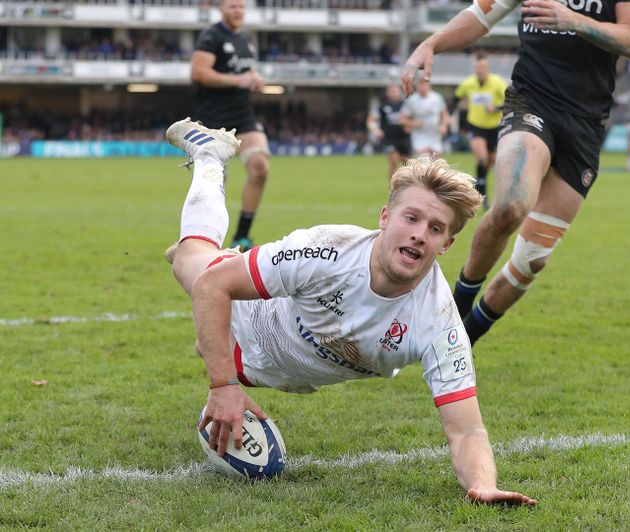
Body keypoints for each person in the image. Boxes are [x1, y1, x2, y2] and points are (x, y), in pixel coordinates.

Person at [163, 118, 535, 507]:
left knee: (207, 329)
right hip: (248, 314)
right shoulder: (326, 251)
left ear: (447, 244)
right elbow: (212, 288)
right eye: (411, 218)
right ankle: (209, 157)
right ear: (385, 218)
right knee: (194, 266)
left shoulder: (439, 322)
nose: (419, 234)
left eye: (435, 228)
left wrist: (484, 484)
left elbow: (467, 431)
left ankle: (213, 319)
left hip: (278, 373)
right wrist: (222, 386)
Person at [402, 0, 630, 346]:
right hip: (532, 103)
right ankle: (453, 310)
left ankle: (461, 342)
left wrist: (573, 20)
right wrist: (431, 43)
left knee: (532, 260)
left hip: (585, 126)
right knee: (510, 207)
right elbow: (479, 17)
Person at [190, 0, 269, 251]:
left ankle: (241, 237)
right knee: (214, 182)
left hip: (243, 115)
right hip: (213, 118)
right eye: (232, 6)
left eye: (242, 7)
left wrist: (254, 78)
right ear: (221, 9)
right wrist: (239, 80)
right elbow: (199, 73)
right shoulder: (211, 36)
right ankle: (205, 240)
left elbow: (246, 71)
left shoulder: (246, 37)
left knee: (260, 168)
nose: (238, 11)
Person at [454, 54, 508, 207]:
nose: (481, 70)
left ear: (488, 68)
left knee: (489, 163)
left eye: (483, 67)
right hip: (476, 126)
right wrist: (449, 116)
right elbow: (455, 99)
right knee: (482, 158)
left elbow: (510, 101)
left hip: (494, 127)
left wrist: (496, 108)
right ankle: (483, 197)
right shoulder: (468, 84)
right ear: (475, 68)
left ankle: (478, 185)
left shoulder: (497, 83)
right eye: (478, 67)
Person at [367, 84, 412, 178]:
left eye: (395, 90)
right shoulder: (383, 106)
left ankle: (407, 186)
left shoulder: (406, 105)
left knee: (408, 164)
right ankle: (392, 188)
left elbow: (413, 118)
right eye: (391, 91)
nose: (393, 93)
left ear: (400, 92)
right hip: (389, 138)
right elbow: (371, 120)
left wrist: (410, 126)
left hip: (404, 138)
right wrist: (375, 130)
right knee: (393, 161)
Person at [401, 79, 450, 156]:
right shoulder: (412, 100)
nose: (423, 87)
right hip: (419, 134)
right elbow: (402, 119)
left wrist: (443, 125)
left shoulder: (437, 98)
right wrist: (413, 123)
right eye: (420, 85)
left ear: (429, 86)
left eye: (425, 85)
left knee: (436, 158)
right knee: (424, 157)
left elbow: (445, 115)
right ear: (417, 87)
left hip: (434, 133)